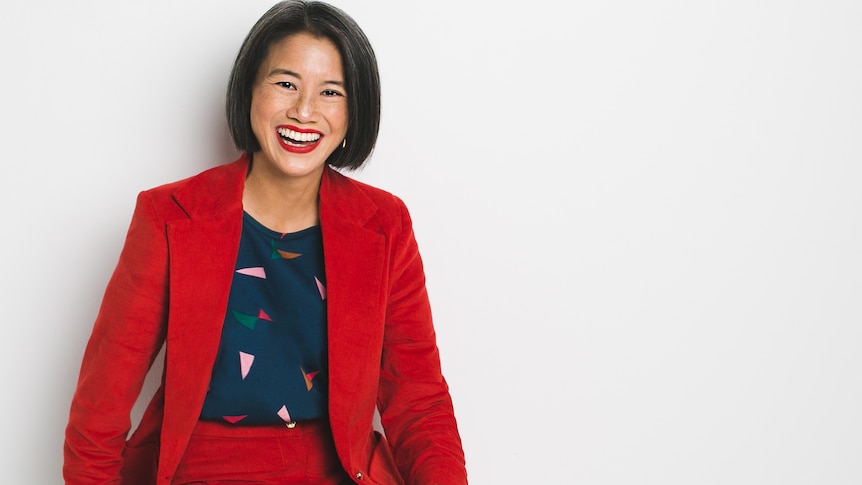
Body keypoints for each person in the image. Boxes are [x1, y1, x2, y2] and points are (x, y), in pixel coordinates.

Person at [62, 1, 467, 483]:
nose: (304, 110)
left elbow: (418, 401)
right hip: (203, 471)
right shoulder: (169, 217)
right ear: (249, 89)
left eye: (331, 91)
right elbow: (99, 413)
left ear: (354, 110)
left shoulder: (384, 224)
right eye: (285, 83)